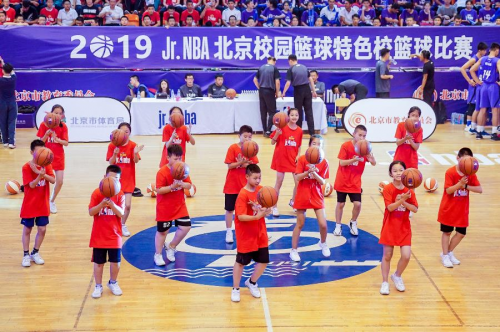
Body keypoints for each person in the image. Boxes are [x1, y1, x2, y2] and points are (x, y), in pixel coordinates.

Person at [231, 164, 271, 303]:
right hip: (246, 235)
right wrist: (257, 216)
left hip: (260, 233)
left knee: (264, 261)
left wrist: (266, 210)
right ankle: (235, 289)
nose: (258, 181)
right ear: (247, 177)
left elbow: (266, 210)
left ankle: (252, 282)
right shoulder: (242, 194)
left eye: (259, 177)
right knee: (241, 263)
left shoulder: (261, 191)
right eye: (255, 178)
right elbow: (241, 217)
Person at [379, 161, 418, 295]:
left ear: (405, 172)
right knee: (387, 255)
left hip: (404, 227)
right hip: (390, 226)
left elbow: (415, 209)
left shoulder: (409, 189)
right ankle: (385, 282)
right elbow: (390, 208)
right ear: (390, 173)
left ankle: (397, 275)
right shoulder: (388, 188)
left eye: (401, 170)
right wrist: (401, 200)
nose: (398, 173)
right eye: (395, 171)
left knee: (406, 256)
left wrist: (405, 200)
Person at [437, 148, 482, 268]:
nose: (466, 162)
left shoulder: (471, 173)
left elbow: (479, 190)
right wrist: (459, 184)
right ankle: (445, 255)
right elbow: (448, 190)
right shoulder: (450, 172)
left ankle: (448, 252)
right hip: (448, 208)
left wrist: (466, 185)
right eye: (464, 159)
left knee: (461, 233)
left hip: (462, 210)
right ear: (458, 158)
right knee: (447, 232)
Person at [289, 134, 330, 262]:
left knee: (323, 224)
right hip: (303, 194)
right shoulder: (302, 159)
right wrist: (307, 172)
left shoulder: (324, 162)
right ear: (309, 145)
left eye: (319, 144)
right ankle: (294, 250)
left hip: (317, 195)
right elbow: (297, 177)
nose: (317, 146)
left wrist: (315, 174)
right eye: (314, 144)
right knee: (300, 223)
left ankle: (323, 243)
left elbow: (323, 181)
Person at [88, 165, 125, 298]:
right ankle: (98, 286)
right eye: (111, 178)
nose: (114, 181)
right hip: (99, 235)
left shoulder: (120, 194)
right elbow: (91, 212)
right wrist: (101, 205)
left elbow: (121, 213)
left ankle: (113, 282)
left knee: (116, 262)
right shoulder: (97, 193)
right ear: (105, 178)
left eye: (117, 179)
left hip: (114, 235)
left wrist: (112, 205)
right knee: (99, 263)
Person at [333, 125, 376, 237]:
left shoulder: (365, 148)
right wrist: (354, 159)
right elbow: (342, 163)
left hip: (355, 182)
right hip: (342, 180)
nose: (362, 138)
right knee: (341, 204)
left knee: (357, 204)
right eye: (360, 135)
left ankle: (353, 222)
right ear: (354, 134)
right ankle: (338, 225)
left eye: (364, 136)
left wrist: (372, 160)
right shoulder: (346, 146)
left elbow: (373, 163)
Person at [154, 144, 193, 266]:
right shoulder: (162, 172)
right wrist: (172, 187)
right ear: (168, 158)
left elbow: (189, 185)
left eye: (180, 158)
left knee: (186, 227)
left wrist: (182, 184)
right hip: (164, 207)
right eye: (175, 159)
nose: (178, 161)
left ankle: (171, 246)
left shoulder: (182, 170)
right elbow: (159, 190)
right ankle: (158, 254)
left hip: (179, 205)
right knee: (163, 232)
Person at [20, 140, 56, 267]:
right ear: (32, 152)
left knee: (42, 229)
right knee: (27, 229)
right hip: (30, 204)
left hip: (43, 204)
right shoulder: (26, 167)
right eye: (38, 151)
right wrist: (38, 176)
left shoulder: (47, 165)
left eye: (43, 150)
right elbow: (31, 185)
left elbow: (52, 180)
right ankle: (25, 255)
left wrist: (43, 174)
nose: (41, 153)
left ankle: (35, 252)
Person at [106, 122, 144, 237]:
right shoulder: (112, 145)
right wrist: (114, 154)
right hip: (114, 181)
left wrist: (135, 153)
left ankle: (122, 224)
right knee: (112, 205)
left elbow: (136, 161)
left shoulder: (133, 145)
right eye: (121, 131)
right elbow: (110, 163)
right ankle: (112, 225)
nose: (124, 134)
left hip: (128, 180)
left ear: (129, 133)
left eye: (126, 132)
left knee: (127, 205)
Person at [223, 125, 259, 244]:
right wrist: (241, 162)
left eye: (250, 136)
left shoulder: (252, 149)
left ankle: (248, 230)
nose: (247, 138)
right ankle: (229, 231)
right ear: (239, 136)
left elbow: (254, 168)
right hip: (232, 185)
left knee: (248, 209)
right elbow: (229, 165)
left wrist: (245, 165)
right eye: (245, 136)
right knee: (229, 209)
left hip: (246, 187)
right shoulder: (233, 148)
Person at [36, 105, 69, 214]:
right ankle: (41, 201)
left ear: (62, 115)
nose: (58, 115)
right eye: (55, 112)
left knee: (59, 181)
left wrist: (57, 139)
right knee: (41, 182)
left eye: (60, 113)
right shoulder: (43, 125)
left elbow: (66, 143)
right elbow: (40, 142)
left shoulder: (63, 126)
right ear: (51, 113)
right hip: (45, 157)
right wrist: (46, 135)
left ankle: (52, 200)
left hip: (58, 157)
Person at [270, 108, 302, 217]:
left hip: (293, 159)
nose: (294, 117)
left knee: (298, 182)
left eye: (296, 115)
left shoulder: (300, 131)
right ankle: (274, 207)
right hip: (281, 158)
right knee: (279, 182)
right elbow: (272, 142)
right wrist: (276, 135)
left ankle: (293, 202)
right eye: (292, 115)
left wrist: (298, 155)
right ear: (288, 117)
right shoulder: (281, 128)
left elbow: (299, 145)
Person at [470, 42, 500, 140]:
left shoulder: (482, 59)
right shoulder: (497, 60)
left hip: (483, 86)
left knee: (482, 110)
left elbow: (471, 70)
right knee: (495, 110)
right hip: (493, 86)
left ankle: (479, 132)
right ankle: (494, 134)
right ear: (496, 50)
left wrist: (478, 81)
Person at [282, 54, 317, 136]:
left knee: (298, 112)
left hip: (298, 90)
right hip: (307, 90)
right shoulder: (304, 67)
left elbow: (288, 82)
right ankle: (312, 133)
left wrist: (284, 92)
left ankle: (298, 132)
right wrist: (314, 91)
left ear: (290, 60)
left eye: (289, 62)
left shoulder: (291, 69)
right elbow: (310, 79)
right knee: (309, 112)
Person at [461, 42, 488, 133]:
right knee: (472, 105)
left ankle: (474, 125)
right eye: (484, 50)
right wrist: (470, 80)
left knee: (478, 106)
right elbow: (462, 68)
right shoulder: (474, 59)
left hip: (480, 84)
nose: (485, 52)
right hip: (475, 85)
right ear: (479, 50)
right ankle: (469, 126)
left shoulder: (483, 59)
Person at [254, 56, 281, 137]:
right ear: (274, 61)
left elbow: (255, 79)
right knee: (272, 112)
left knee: (263, 112)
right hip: (269, 90)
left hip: (261, 90)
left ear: (267, 61)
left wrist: (259, 87)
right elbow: (277, 82)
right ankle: (268, 131)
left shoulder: (261, 67)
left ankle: (264, 130)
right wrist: (277, 92)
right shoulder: (274, 68)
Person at [0, 57, 18, 149]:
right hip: (12, 103)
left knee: (2, 122)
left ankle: (5, 142)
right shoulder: (14, 78)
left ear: (2, 70)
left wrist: (2, 62)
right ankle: (11, 142)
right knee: (11, 122)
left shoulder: (0, 80)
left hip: (2, 103)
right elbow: (11, 71)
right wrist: (3, 63)